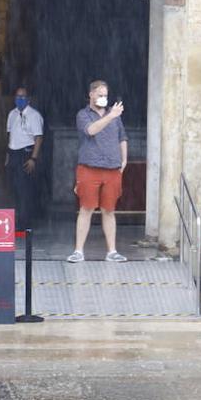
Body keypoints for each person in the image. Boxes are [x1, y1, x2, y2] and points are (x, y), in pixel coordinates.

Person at [68, 79, 127, 263]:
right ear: (91, 94)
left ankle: (112, 251)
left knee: (109, 210)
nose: (103, 99)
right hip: (89, 168)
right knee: (86, 209)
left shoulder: (114, 115)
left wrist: (124, 159)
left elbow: (122, 137)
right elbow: (91, 131)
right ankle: (78, 251)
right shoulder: (83, 115)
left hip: (112, 168)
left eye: (105, 96)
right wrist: (110, 116)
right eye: (100, 95)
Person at [5, 86, 44, 230]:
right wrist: (8, 155)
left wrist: (33, 158)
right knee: (14, 188)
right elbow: (10, 135)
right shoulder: (12, 114)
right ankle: (16, 219)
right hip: (13, 153)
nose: (19, 100)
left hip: (26, 154)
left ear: (28, 99)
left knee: (25, 190)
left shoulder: (34, 115)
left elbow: (38, 138)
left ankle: (25, 222)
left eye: (23, 97)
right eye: (17, 97)